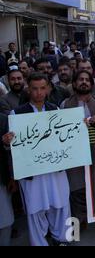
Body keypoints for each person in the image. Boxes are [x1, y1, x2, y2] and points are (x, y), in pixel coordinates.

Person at [3, 73, 72, 246]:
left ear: (48, 88)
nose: (39, 93)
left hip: (55, 168)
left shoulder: (55, 110)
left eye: (42, 88)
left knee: (62, 204)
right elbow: (11, 147)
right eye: (35, 89)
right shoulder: (16, 113)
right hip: (32, 173)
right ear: (28, 88)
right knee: (35, 210)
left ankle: (65, 239)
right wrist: (6, 141)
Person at [61, 70, 95, 230]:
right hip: (75, 157)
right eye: (80, 80)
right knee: (77, 190)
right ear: (74, 84)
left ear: (91, 84)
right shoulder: (64, 104)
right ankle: (79, 222)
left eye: (87, 80)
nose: (84, 82)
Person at [0, 112, 14, 246]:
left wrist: (12, 177)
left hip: (1, 179)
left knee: (5, 221)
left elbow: (11, 153)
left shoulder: (3, 120)